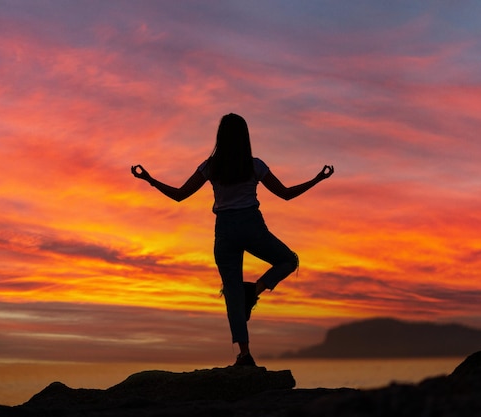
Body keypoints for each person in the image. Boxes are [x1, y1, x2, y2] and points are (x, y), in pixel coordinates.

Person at [131, 113, 334, 366]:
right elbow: (286, 194)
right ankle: (256, 291)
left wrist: (149, 179)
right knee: (288, 260)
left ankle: (245, 354)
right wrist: (317, 179)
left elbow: (180, 195)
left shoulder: (211, 166)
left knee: (233, 293)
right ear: (244, 137)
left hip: (225, 231)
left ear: (221, 136)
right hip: (251, 225)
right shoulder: (255, 165)